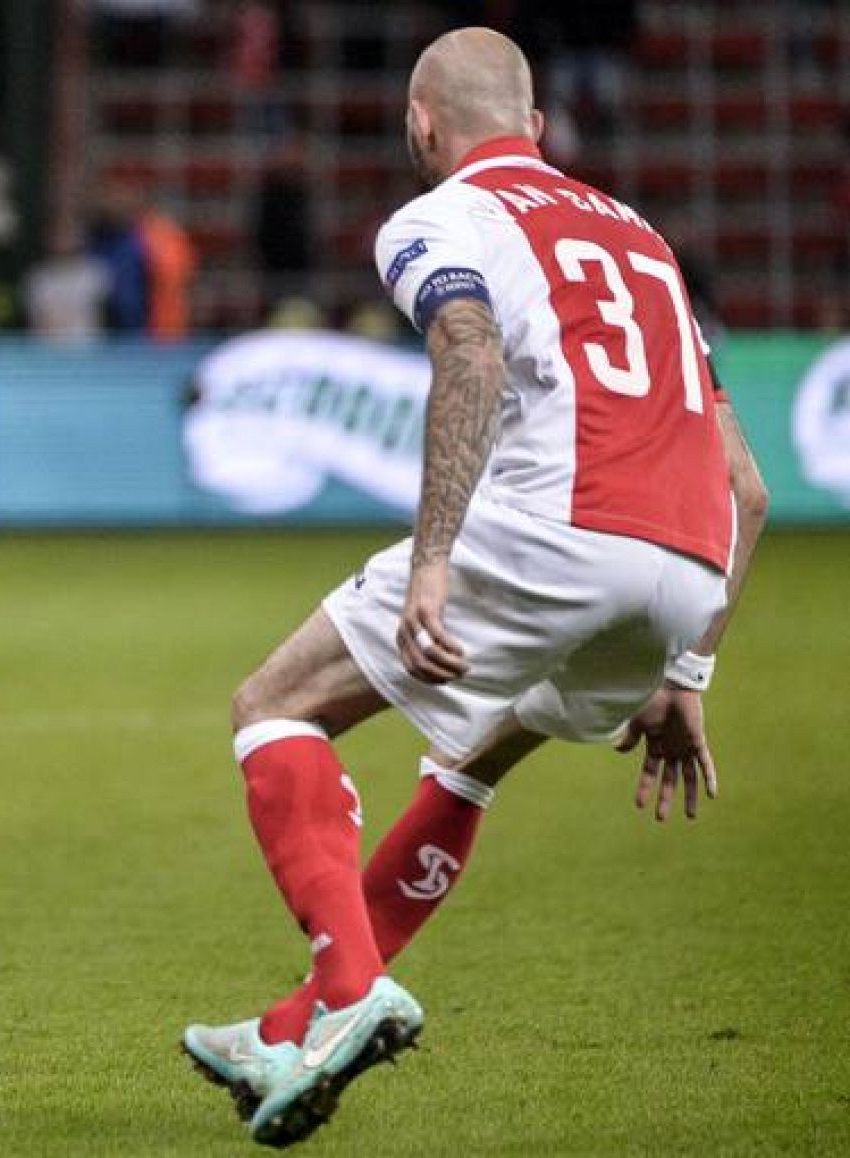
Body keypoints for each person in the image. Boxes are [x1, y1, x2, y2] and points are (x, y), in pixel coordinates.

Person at [181, 27, 768, 1148]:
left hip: (557, 528)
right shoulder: (643, 240)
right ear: (537, 127)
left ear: (420, 124)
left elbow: (470, 352)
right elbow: (747, 484)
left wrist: (436, 555)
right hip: (688, 568)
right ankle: (286, 1032)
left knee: (274, 708)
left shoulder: (440, 216)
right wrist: (687, 666)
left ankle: (350, 992)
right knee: (470, 757)